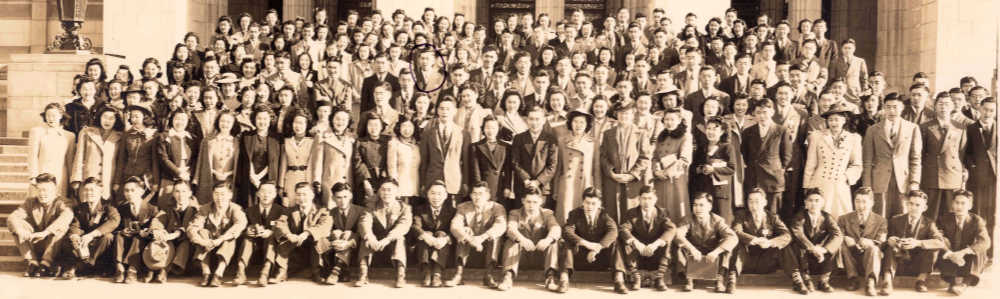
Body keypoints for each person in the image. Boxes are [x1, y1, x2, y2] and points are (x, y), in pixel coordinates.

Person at [862, 94, 922, 216]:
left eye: (895, 107)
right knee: (879, 215)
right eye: (888, 107)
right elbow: (867, 161)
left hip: (903, 181)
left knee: (901, 215)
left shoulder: (912, 128)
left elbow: (915, 159)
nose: (891, 111)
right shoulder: (873, 130)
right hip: (879, 180)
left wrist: (914, 182)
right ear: (883, 108)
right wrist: (867, 185)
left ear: (902, 108)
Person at [802, 102, 863, 218]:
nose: (834, 123)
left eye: (837, 119)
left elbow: (857, 165)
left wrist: (846, 177)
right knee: (819, 216)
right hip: (819, 183)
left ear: (844, 120)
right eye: (830, 120)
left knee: (841, 217)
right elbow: (810, 163)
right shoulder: (816, 136)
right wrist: (807, 186)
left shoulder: (853, 138)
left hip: (840, 184)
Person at [559, 187, 624, 293]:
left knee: (615, 243)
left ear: (599, 204)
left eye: (593, 203)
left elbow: (613, 231)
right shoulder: (575, 214)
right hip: (580, 258)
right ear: (582, 202)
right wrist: (586, 244)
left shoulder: (605, 214)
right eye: (587, 203)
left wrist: (597, 248)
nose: (590, 206)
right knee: (567, 243)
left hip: (599, 258)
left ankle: (619, 280)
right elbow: (567, 231)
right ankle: (564, 280)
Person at [7, 173, 72, 278]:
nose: (42, 194)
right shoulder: (30, 202)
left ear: (55, 190)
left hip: (54, 247)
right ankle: (32, 263)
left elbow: (66, 216)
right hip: (35, 242)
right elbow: (13, 217)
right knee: (17, 225)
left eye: (46, 190)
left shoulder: (63, 202)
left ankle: (46, 264)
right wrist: (20, 231)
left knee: (61, 227)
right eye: (39, 190)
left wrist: (45, 232)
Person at [497, 186, 561, 292]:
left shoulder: (547, 213)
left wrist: (548, 239)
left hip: (540, 257)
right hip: (520, 258)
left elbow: (556, 228)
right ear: (523, 201)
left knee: (553, 242)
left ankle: (550, 278)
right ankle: (508, 277)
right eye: (528, 201)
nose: (531, 205)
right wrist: (522, 239)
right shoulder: (515, 213)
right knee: (512, 241)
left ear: (541, 201)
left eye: (535, 202)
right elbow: (510, 229)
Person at [882, 190, 946, 295]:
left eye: (917, 205)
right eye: (911, 204)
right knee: (890, 248)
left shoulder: (929, 223)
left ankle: (921, 280)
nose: (913, 207)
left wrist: (918, 243)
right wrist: (889, 241)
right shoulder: (895, 220)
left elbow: (940, 242)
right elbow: (884, 240)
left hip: (918, 264)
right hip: (898, 262)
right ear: (906, 204)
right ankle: (887, 282)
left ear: (924, 208)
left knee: (932, 247)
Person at [730, 188, 792, 293]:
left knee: (784, 245)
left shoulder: (772, 217)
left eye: (757, 201)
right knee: (737, 243)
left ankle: (797, 278)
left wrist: (770, 242)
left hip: (766, 262)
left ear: (765, 202)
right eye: (750, 201)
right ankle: (731, 280)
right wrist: (755, 240)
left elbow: (787, 235)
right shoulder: (741, 215)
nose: (753, 205)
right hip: (745, 262)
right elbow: (736, 231)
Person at [446, 181, 507, 287]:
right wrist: (470, 239)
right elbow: (455, 225)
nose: (477, 197)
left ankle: (488, 274)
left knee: (495, 236)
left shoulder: (497, 207)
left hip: (487, 251)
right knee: (463, 232)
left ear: (488, 196)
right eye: (474, 193)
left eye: (481, 194)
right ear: (470, 195)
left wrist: (482, 237)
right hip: (468, 250)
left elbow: (500, 226)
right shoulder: (463, 207)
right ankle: (458, 274)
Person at [674, 192, 738, 293]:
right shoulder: (687, 219)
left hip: (711, 254)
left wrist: (716, 252)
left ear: (709, 207)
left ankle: (719, 279)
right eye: (695, 205)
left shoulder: (717, 220)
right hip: (693, 255)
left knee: (727, 248)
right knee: (680, 247)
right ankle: (688, 279)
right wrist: (692, 249)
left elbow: (733, 237)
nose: (697, 208)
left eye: (701, 205)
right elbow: (678, 235)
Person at [187, 182, 248, 287]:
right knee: (202, 232)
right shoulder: (205, 208)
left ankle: (218, 274)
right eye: (216, 194)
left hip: (225, 246)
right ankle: (206, 273)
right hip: (208, 244)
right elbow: (192, 227)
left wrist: (221, 239)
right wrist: (201, 241)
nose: (219, 198)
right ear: (213, 195)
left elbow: (240, 224)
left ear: (230, 195)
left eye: (223, 194)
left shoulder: (235, 208)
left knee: (231, 237)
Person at [356, 178, 412, 288]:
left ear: (396, 192)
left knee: (400, 238)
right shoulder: (372, 205)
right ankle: (363, 274)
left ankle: (400, 275)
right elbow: (364, 222)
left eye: (389, 190)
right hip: (375, 244)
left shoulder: (405, 208)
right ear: (379, 192)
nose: (386, 193)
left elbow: (403, 226)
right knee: (366, 238)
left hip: (391, 243)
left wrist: (387, 239)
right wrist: (370, 237)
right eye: (383, 190)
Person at [273, 181, 332, 285]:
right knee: (285, 240)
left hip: (314, 248)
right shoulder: (289, 210)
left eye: (305, 194)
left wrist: (306, 233)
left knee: (320, 239)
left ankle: (317, 271)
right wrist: (288, 235)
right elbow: (279, 223)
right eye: (298, 194)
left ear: (312, 195)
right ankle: (282, 271)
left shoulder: (322, 210)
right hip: (296, 247)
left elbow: (324, 227)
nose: (301, 198)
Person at [741, 100, 792, 218]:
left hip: (773, 179)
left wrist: (777, 169)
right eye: (758, 113)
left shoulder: (781, 130)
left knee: (773, 214)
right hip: (754, 178)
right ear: (754, 114)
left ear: (772, 112)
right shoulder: (748, 132)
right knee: (753, 212)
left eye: (765, 112)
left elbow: (787, 155)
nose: (762, 116)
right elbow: (744, 152)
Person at [619, 185, 675, 292]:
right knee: (626, 241)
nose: (647, 202)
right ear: (639, 199)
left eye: (650, 198)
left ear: (655, 199)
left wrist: (656, 244)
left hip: (655, 251)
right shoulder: (632, 213)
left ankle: (659, 278)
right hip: (637, 253)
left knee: (667, 241)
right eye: (644, 198)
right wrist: (636, 243)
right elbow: (624, 229)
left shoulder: (662, 212)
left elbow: (671, 229)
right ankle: (636, 278)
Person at [919, 95, 967, 220]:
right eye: (940, 104)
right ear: (935, 106)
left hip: (952, 175)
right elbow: (921, 153)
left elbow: (962, 152)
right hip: (932, 175)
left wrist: (962, 171)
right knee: (931, 214)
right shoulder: (925, 127)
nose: (943, 107)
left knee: (951, 213)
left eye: (947, 104)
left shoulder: (960, 127)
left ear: (952, 106)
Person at [600, 103, 650, 223]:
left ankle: (629, 239)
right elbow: (603, 156)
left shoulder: (641, 133)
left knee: (631, 212)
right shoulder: (608, 134)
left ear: (633, 114)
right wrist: (611, 173)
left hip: (632, 181)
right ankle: (614, 239)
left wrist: (632, 174)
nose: (624, 116)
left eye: (627, 113)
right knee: (612, 212)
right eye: (621, 113)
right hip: (613, 180)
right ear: (616, 114)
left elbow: (645, 157)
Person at [787, 189, 843, 294]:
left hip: (821, 258)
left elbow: (838, 235)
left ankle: (824, 280)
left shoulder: (826, 217)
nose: (814, 204)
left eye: (817, 201)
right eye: (810, 200)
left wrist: (824, 250)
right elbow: (798, 234)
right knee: (796, 246)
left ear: (822, 203)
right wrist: (813, 249)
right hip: (805, 257)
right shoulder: (799, 217)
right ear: (805, 203)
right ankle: (806, 279)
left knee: (835, 246)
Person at [937, 190, 991, 295]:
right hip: (951, 255)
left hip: (966, 256)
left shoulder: (976, 220)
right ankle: (952, 283)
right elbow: (938, 238)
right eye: (957, 202)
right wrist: (950, 253)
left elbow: (985, 241)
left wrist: (963, 252)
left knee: (980, 250)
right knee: (941, 245)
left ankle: (964, 284)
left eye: (963, 203)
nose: (959, 206)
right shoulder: (944, 219)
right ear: (952, 204)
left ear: (970, 206)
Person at [232, 181, 285, 286]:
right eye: (263, 192)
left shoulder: (281, 210)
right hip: (254, 244)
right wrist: (247, 230)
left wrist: (271, 231)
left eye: (270, 192)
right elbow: (241, 227)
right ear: (258, 194)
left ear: (275, 195)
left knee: (271, 239)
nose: (266, 195)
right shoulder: (249, 210)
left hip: (271, 245)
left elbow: (283, 227)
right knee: (247, 240)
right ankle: (241, 272)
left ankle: (264, 274)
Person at [836, 187, 887, 296]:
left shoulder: (881, 220)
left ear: (872, 203)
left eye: (864, 201)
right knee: (842, 245)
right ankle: (852, 278)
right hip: (851, 257)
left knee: (874, 248)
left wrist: (871, 242)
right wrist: (845, 238)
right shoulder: (843, 219)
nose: (860, 205)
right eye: (857, 201)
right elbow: (837, 235)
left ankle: (871, 282)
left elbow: (882, 240)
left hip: (870, 258)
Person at [147, 180, 198, 283]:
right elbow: (158, 219)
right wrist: (157, 230)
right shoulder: (169, 207)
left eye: (184, 191)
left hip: (188, 243)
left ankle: (164, 270)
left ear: (190, 193)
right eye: (177, 191)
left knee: (184, 244)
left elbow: (191, 227)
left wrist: (174, 234)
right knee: (161, 240)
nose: (180, 195)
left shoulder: (196, 209)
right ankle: (155, 267)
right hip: (170, 239)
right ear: (173, 193)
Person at [510, 105, 559, 208]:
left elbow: (552, 165)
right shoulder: (519, 138)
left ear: (544, 120)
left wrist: (537, 182)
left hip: (542, 187)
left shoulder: (551, 139)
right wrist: (526, 179)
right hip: (523, 185)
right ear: (526, 120)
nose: (534, 123)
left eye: (537, 119)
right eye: (531, 119)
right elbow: (515, 162)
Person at [114, 176, 160, 283]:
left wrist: (146, 232)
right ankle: (119, 268)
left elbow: (156, 228)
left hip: (142, 245)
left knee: (138, 238)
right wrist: (122, 231)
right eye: (126, 191)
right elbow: (115, 228)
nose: (129, 193)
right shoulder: (121, 209)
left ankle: (132, 270)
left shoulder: (152, 209)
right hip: (126, 242)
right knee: (118, 235)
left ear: (141, 192)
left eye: (132, 190)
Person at [72, 107, 124, 201]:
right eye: (104, 117)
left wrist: (117, 182)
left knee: (104, 208)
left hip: (108, 180)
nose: (107, 121)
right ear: (99, 117)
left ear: (116, 120)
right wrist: (76, 179)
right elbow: (79, 157)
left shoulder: (120, 136)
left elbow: (120, 161)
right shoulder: (86, 132)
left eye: (111, 118)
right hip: (88, 178)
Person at [418, 97, 465, 201]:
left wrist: (465, 182)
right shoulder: (428, 133)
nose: (444, 112)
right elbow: (424, 160)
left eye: (448, 109)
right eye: (442, 108)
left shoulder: (463, 133)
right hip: (433, 179)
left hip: (454, 180)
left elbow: (466, 161)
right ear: (437, 110)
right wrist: (422, 183)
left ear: (454, 111)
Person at [411, 181, 456, 287]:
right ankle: (426, 272)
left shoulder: (452, 211)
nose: (436, 197)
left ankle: (437, 273)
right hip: (424, 247)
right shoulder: (420, 209)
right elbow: (415, 226)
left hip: (444, 248)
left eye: (439, 194)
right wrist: (427, 236)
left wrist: (445, 239)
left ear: (445, 196)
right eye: (432, 193)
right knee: (425, 234)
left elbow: (454, 229)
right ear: (427, 194)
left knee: (441, 234)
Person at [964, 97, 996, 243]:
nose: (987, 113)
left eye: (991, 110)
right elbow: (965, 153)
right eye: (985, 109)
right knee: (977, 212)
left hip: (995, 179)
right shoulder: (970, 129)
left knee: (993, 213)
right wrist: (972, 168)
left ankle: (990, 251)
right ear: (979, 109)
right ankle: (975, 247)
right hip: (976, 178)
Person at [692, 117, 736, 223]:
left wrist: (713, 169)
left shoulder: (727, 148)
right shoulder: (702, 148)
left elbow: (731, 168)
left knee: (722, 220)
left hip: (720, 190)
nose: (710, 132)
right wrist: (702, 169)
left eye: (714, 129)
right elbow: (693, 168)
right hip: (704, 189)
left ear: (721, 131)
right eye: (708, 128)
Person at [652, 107, 692, 223]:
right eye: (666, 119)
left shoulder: (685, 136)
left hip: (675, 179)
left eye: (672, 119)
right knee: (661, 207)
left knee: (676, 208)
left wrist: (667, 172)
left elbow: (684, 159)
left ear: (679, 120)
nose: (669, 122)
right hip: (659, 179)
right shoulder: (661, 136)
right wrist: (656, 171)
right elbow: (655, 157)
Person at [28, 103, 77, 198]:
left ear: (61, 116)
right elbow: (32, 156)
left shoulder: (69, 136)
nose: (51, 118)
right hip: (41, 175)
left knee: (58, 204)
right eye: (48, 115)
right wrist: (33, 176)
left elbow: (70, 161)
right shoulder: (37, 132)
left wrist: (71, 180)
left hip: (60, 177)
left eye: (54, 115)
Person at [554, 110, 595, 222]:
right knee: (565, 214)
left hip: (585, 184)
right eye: (575, 121)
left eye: (582, 122)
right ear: (570, 123)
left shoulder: (592, 143)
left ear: (587, 125)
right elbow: (558, 167)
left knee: (584, 214)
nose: (578, 125)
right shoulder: (562, 141)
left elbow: (596, 169)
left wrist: (597, 189)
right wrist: (555, 189)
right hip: (567, 184)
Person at [319, 183, 363, 285]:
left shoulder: (360, 211)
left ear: (351, 196)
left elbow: (362, 232)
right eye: (338, 197)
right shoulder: (330, 212)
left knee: (348, 238)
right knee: (326, 240)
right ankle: (343, 272)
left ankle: (336, 272)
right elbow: (325, 229)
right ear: (333, 198)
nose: (342, 201)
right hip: (337, 245)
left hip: (355, 245)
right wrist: (333, 234)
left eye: (345, 197)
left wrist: (350, 240)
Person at [193, 111, 240, 205]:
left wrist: (227, 174)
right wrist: (214, 172)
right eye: (222, 121)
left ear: (233, 124)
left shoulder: (237, 142)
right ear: (218, 122)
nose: (225, 124)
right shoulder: (208, 141)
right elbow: (201, 163)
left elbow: (239, 164)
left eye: (228, 122)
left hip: (229, 181)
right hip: (210, 179)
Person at [468, 115, 514, 208]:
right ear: (483, 129)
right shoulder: (475, 147)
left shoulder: (506, 147)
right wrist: (480, 189)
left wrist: (507, 187)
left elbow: (508, 169)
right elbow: (475, 170)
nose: (490, 131)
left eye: (493, 127)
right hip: (483, 185)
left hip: (500, 186)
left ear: (498, 129)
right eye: (487, 127)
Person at [156, 109, 198, 210]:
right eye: (177, 119)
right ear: (172, 120)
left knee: (186, 206)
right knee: (166, 206)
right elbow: (163, 158)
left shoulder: (192, 138)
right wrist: (178, 172)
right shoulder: (164, 137)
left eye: (183, 119)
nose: (180, 122)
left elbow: (195, 158)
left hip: (187, 177)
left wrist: (189, 172)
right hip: (169, 177)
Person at [278, 110, 314, 205]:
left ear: (307, 125)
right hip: (290, 180)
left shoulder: (312, 142)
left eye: (301, 123)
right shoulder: (286, 142)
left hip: (306, 178)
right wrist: (281, 186)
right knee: (289, 207)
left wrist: (312, 184)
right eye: (295, 122)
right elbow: (283, 165)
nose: (298, 126)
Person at [386, 116, 421, 204]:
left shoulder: (418, 145)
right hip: (401, 187)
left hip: (416, 186)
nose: (407, 129)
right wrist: (394, 187)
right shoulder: (394, 143)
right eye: (404, 126)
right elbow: (391, 168)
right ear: (399, 128)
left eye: (410, 126)